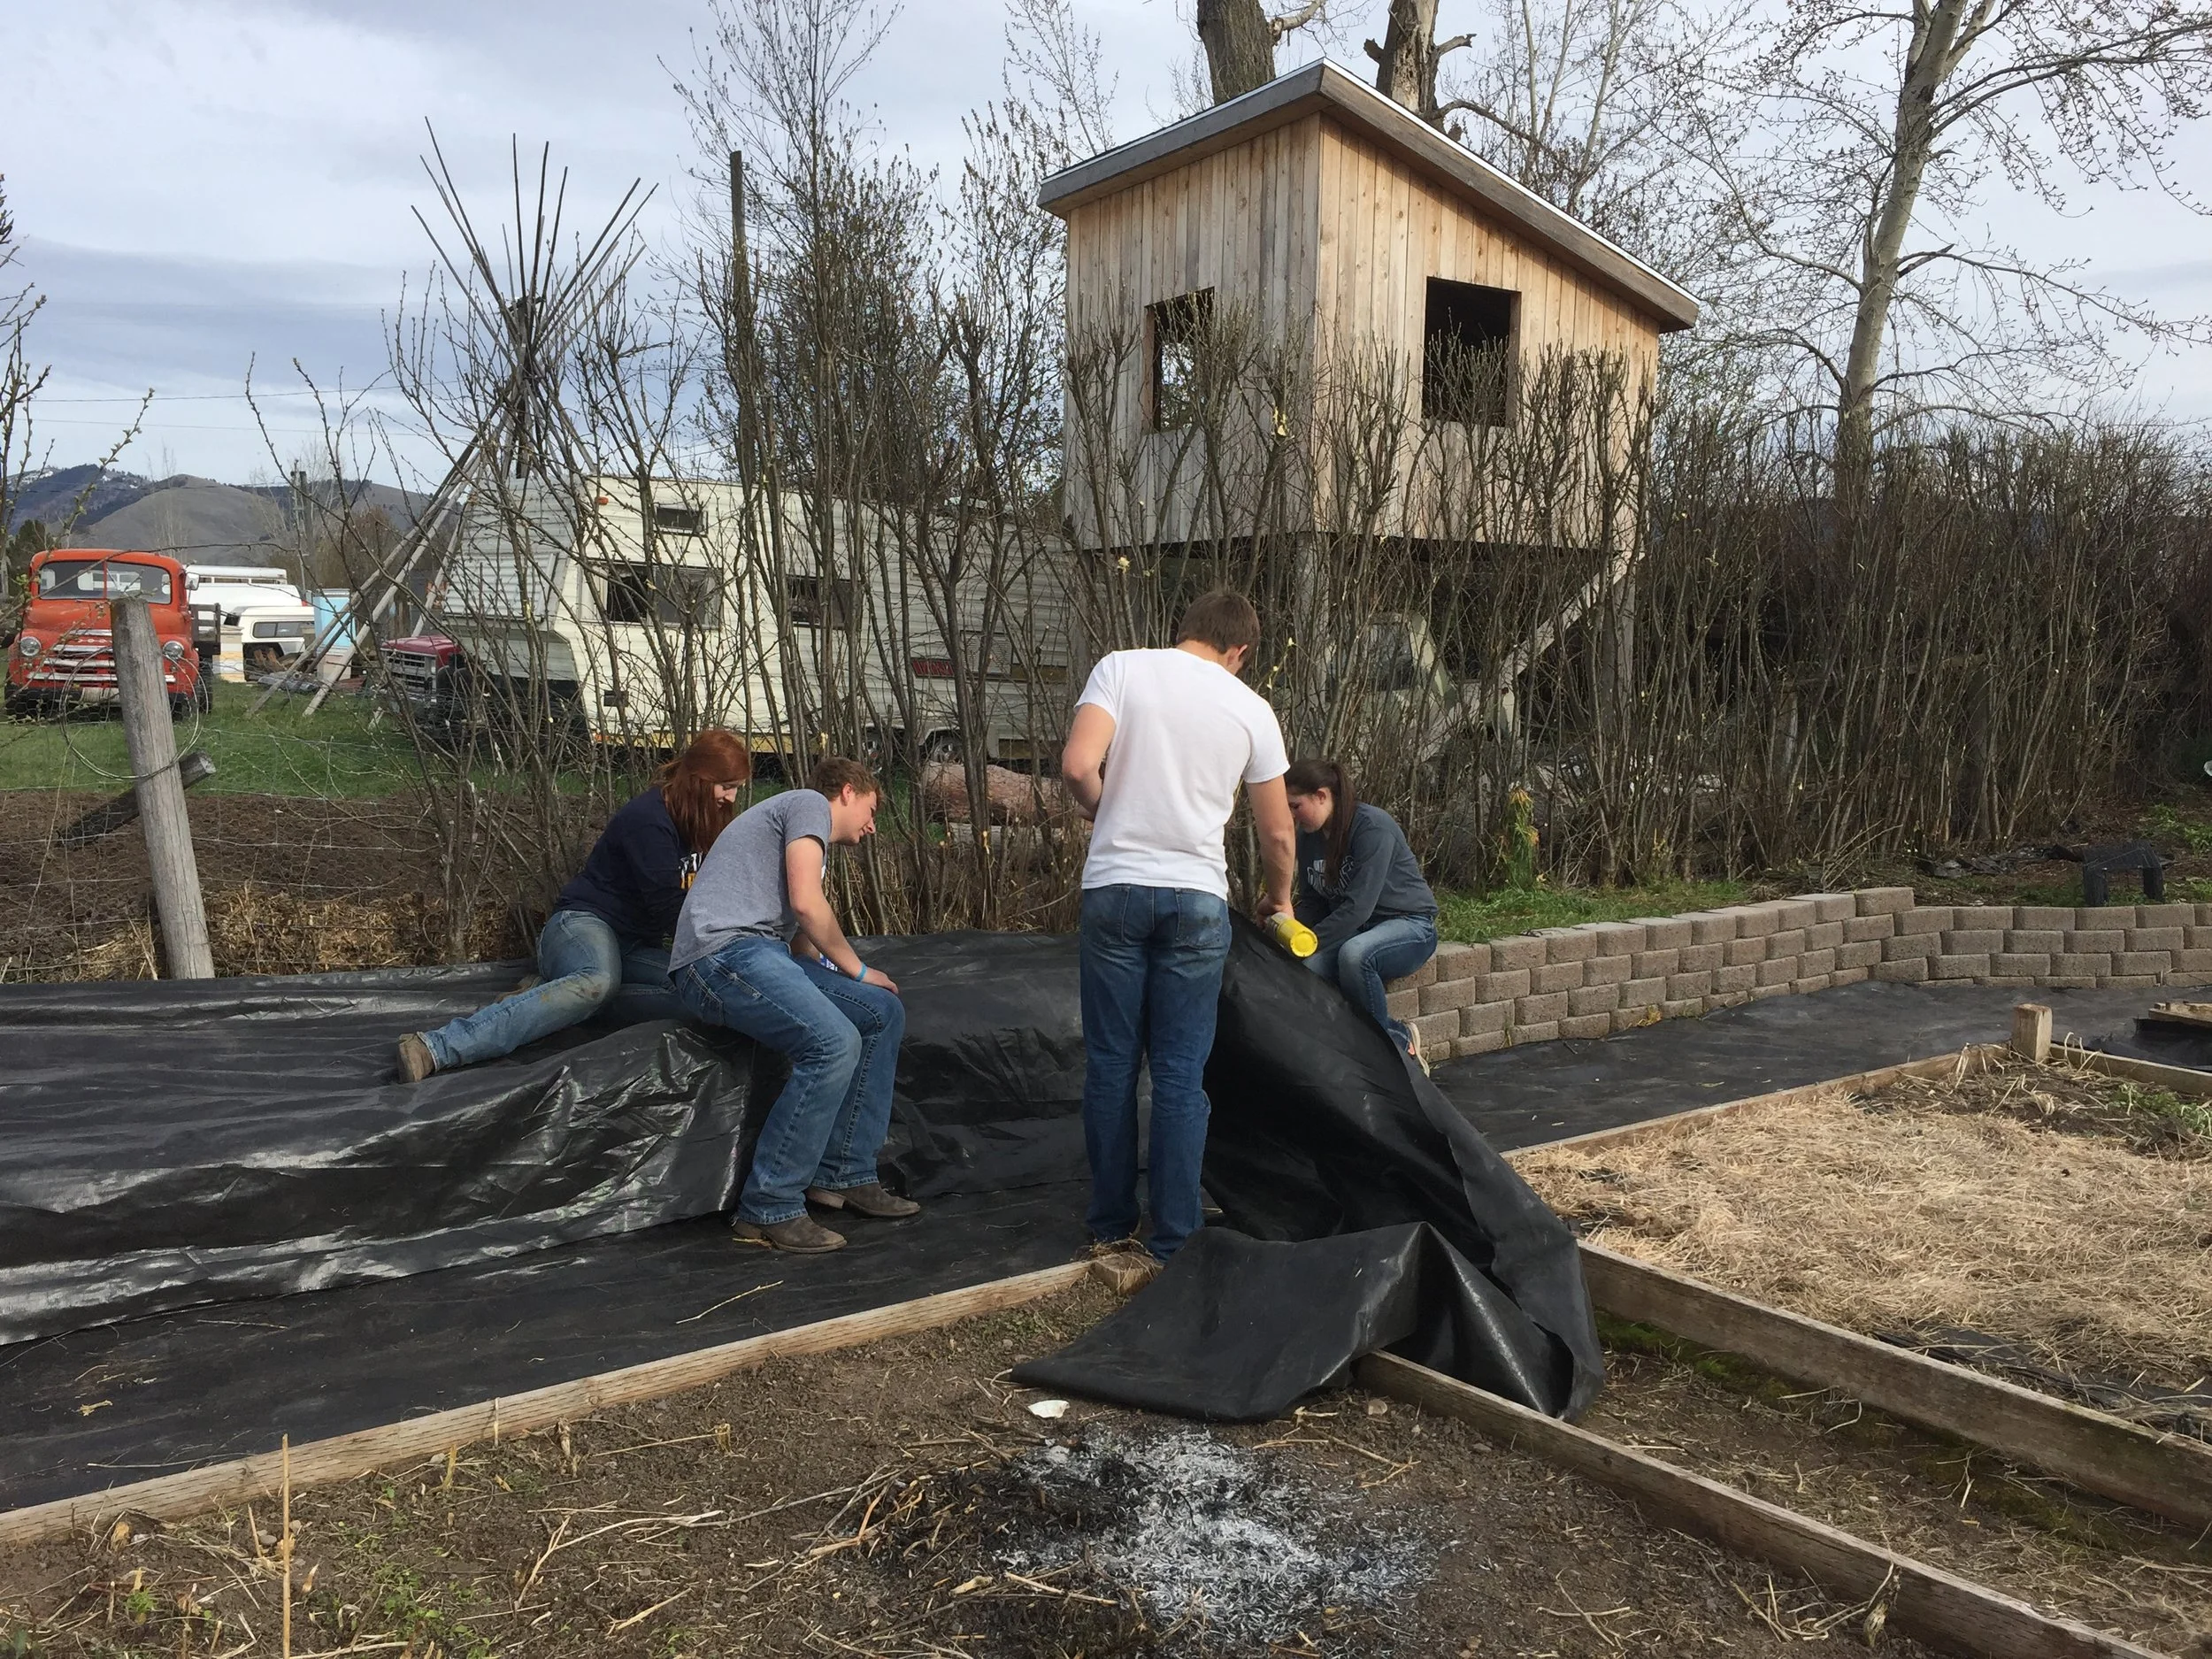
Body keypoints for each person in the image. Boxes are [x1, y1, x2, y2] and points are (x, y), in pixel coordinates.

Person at [1061, 589, 1298, 1271]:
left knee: (1110, 1063)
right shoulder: (1251, 708)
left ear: (1182, 629)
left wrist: (1109, 813)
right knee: (1178, 1072)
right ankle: (1173, 1238)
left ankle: (1109, 1224)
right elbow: (1278, 831)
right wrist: (1276, 899)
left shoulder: (1123, 667)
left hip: (1114, 888)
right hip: (1196, 897)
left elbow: (1079, 765)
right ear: (1240, 651)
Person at [396, 730, 752, 1082]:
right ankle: (437, 1047)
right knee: (597, 980)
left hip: (631, 946)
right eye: (726, 786)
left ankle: (554, 996)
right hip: (582, 923)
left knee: (696, 996)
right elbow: (671, 909)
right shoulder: (649, 818)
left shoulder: (702, 821)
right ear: (698, 779)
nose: (731, 797)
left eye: (736, 787)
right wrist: (720, 952)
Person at [670, 757, 915, 1255]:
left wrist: (845, 985)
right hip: (720, 955)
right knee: (832, 1041)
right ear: (847, 791)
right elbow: (807, 904)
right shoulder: (807, 805)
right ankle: (770, 1206)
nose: (871, 826)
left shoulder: (803, 834)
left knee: (880, 1013)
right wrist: (860, 971)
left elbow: (796, 932)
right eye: (871, 810)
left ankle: (844, 1173)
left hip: (761, 952)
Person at [1284, 757, 1440, 1063]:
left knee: (1356, 956)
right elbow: (1313, 901)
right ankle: (1392, 1035)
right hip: (1359, 929)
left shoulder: (1371, 827)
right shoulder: (1308, 837)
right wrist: (1290, 936)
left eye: (1295, 805)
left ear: (1322, 796)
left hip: (1408, 924)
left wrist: (1309, 943)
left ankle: (1389, 1054)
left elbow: (1358, 908)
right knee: (1307, 970)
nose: (1291, 815)